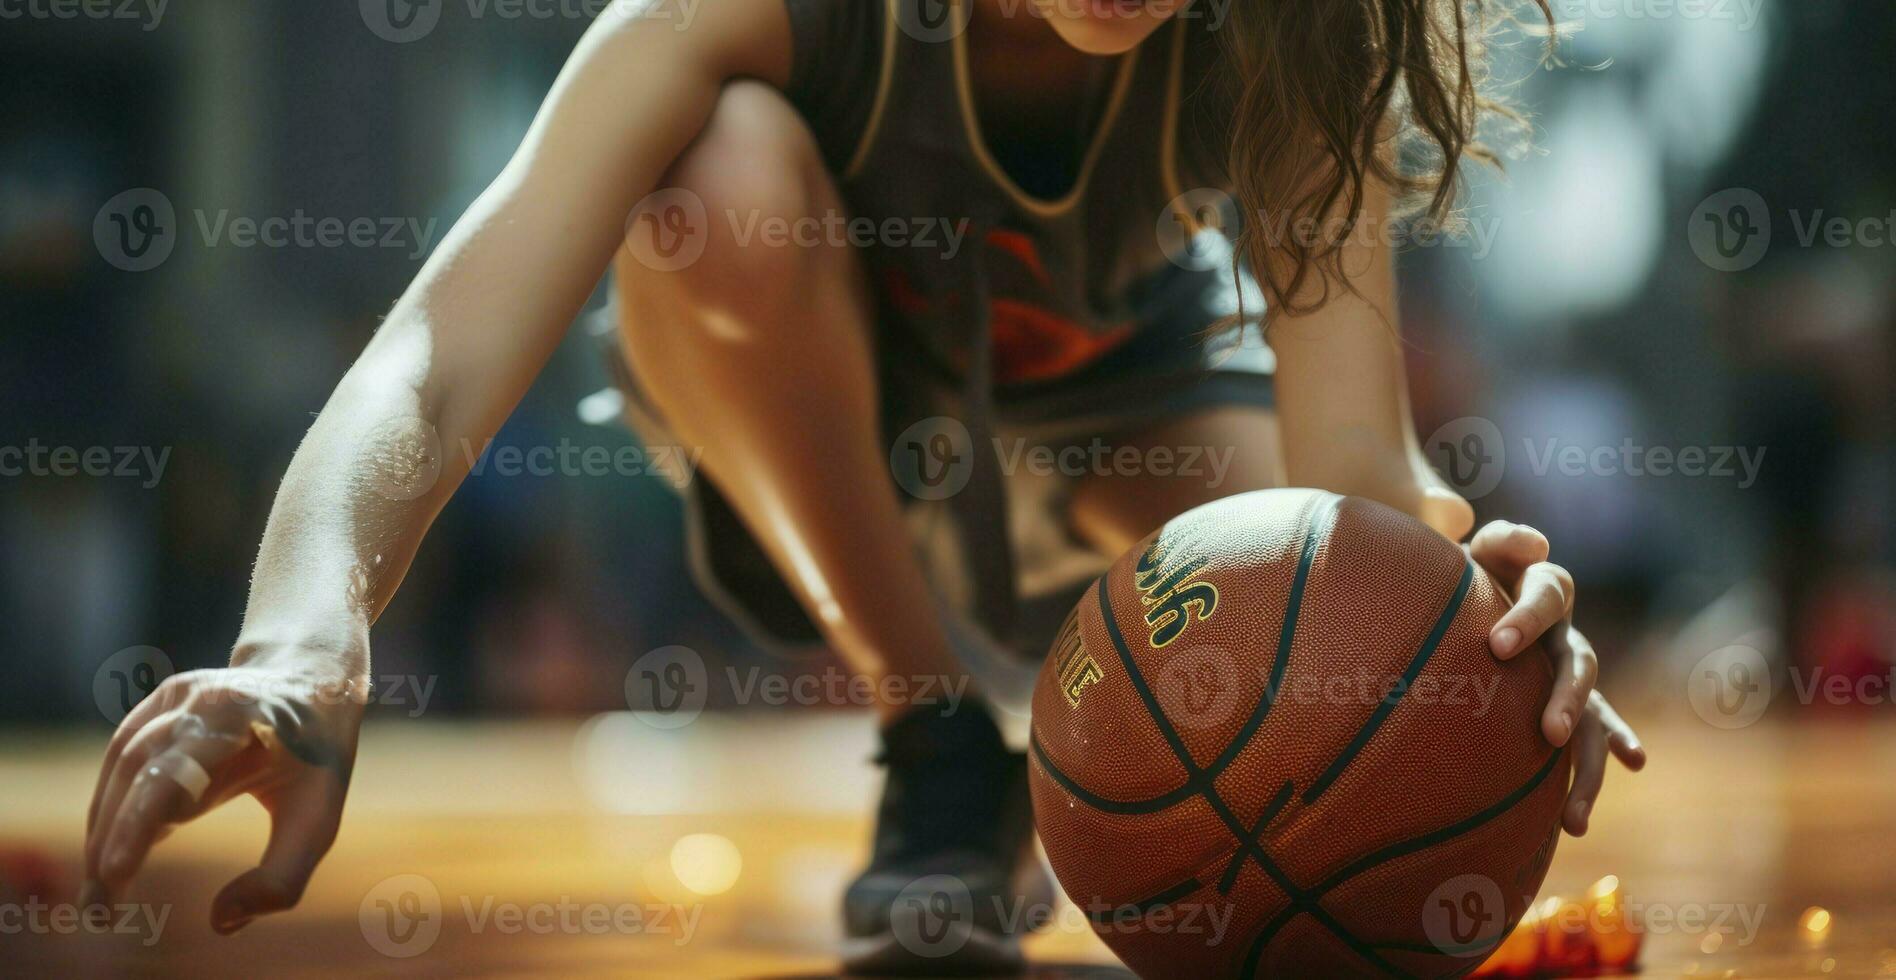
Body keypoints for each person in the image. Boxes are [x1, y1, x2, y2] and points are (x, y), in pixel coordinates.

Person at [81, 0, 1647, 972]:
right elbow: (436, 347)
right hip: (818, 416)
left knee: (1336, 615)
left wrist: (1468, 614)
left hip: (1129, 405)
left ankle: (1056, 716)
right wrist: (303, 637)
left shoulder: (1294, 29)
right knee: (714, 176)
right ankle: (936, 735)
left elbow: (1360, 470)